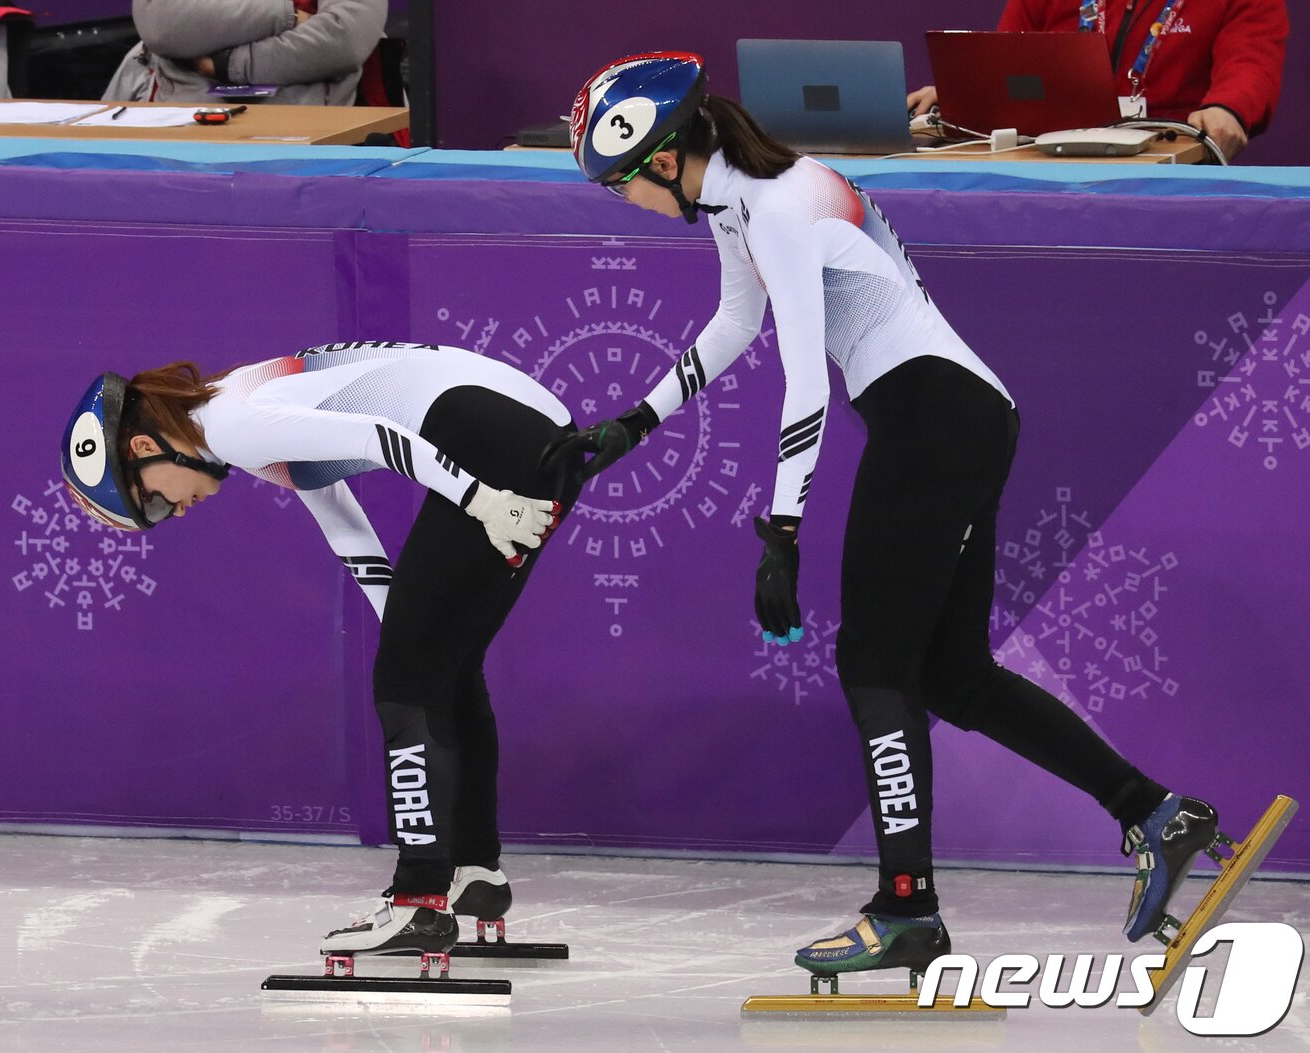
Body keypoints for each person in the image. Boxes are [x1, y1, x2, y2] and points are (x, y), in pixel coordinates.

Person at [549, 51, 1219, 981]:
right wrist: (635, 420)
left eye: (618, 184)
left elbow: (802, 383)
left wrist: (781, 527)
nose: (622, 202)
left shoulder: (777, 205)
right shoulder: (742, 196)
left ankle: (906, 909)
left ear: (663, 160)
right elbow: (733, 323)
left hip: (932, 419)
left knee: (873, 660)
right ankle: (1153, 810)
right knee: (953, 676)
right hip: (957, 413)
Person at [60, 340, 578, 958]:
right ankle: (476, 874)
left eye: (151, 500)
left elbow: (379, 436)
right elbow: (338, 514)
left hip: (495, 444)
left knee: (407, 684)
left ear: (144, 447)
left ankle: (419, 899)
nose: (173, 511)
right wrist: (399, 617)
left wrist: (480, 501)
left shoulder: (231, 424)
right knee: (444, 669)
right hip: (525, 431)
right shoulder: (231, 411)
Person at [906, 0, 1288, 162]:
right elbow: (1008, 56)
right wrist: (966, 91)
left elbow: (1251, 63)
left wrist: (1227, 107)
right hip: (1046, 164)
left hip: (1168, 163)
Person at [102, 0, 387, 106]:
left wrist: (230, 63)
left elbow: (344, 37)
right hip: (189, 137)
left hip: (315, 143)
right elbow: (161, 22)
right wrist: (286, 16)